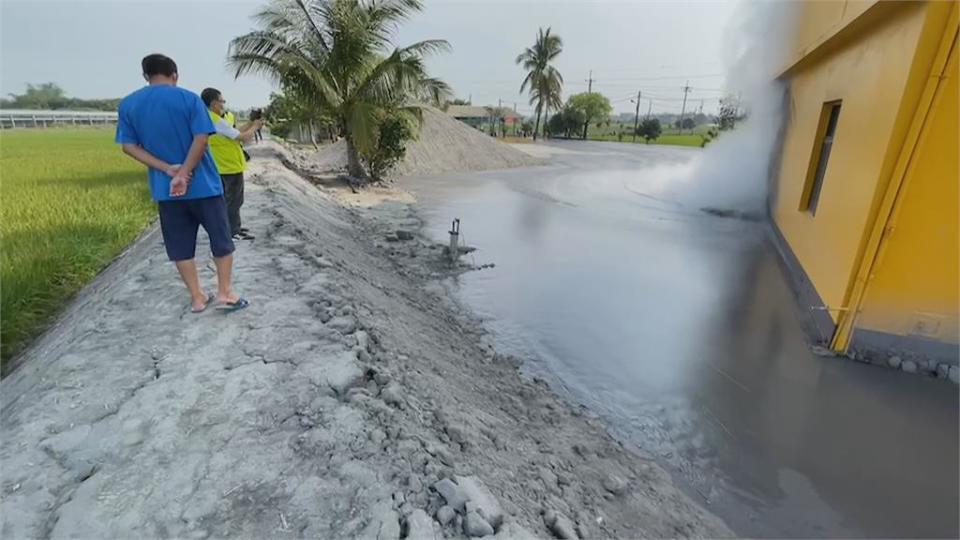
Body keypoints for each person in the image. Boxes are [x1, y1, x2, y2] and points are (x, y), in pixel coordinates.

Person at [116, 53, 248, 313]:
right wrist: (185, 171)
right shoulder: (188, 99)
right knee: (221, 239)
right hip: (205, 186)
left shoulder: (129, 105)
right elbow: (201, 139)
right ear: (175, 74)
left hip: (167, 192)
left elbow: (129, 147)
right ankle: (225, 292)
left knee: (180, 246)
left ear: (145, 76)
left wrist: (169, 170)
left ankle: (198, 298)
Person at [200, 88, 262, 240]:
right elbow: (241, 137)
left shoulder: (213, 118)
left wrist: (250, 123)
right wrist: (255, 127)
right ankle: (230, 233)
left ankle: (235, 228)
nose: (223, 104)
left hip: (229, 165)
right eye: (222, 101)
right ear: (214, 103)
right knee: (231, 201)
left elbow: (233, 132)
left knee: (235, 200)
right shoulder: (214, 120)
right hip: (225, 167)